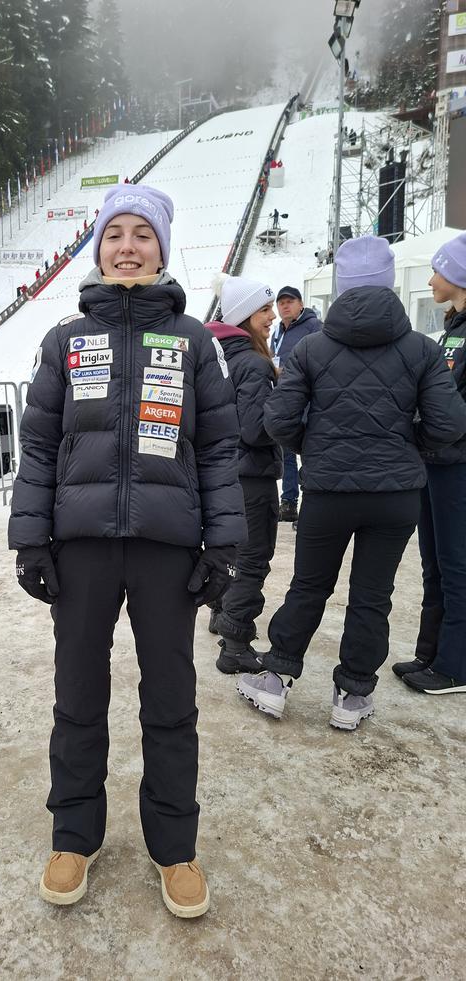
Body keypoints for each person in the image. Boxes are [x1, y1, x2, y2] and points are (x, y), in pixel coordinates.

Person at [8, 183, 246, 917]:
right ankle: (74, 832)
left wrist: (224, 541)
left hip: (165, 548)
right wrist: (31, 538)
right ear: (99, 248)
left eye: (143, 234)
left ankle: (175, 845)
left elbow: (218, 447)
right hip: (81, 546)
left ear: (163, 249)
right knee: (77, 696)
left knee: (170, 700)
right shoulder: (66, 341)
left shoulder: (195, 343)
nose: (129, 246)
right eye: (116, 234)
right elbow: (40, 444)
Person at [237, 237, 466, 730]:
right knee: (371, 595)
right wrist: (410, 446)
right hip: (396, 496)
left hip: (328, 492)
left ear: (341, 285)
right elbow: (449, 425)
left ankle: (276, 678)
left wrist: (312, 446)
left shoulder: (311, 348)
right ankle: (352, 695)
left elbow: (277, 419)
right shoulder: (423, 349)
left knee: (309, 585)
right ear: (388, 283)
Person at [393, 230, 466, 694]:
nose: (433, 279)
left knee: (458, 565)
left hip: (458, 466)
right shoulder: (453, 332)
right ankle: (431, 652)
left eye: (439, 270)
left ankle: (455, 665)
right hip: (435, 463)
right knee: (435, 563)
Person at [204, 277, 281, 672]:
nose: (272, 317)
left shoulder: (219, 356)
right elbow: (256, 428)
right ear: (244, 316)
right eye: (264, 310)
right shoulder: (253, 363)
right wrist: (288, 418)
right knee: (253, 559)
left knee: (228, 550)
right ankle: (235, 643)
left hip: (222, 474)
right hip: (252, 476)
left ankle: (220, 611)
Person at [269, 287, 322, 522]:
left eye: (290, 301)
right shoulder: (278, 331)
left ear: (301, 304)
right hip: (286, 397)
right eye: (281, 303)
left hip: (309, 398)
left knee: (310, 450)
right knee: (287, 452)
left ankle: (310, 505)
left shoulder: (313, 327)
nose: (284, 306)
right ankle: (289, 502)